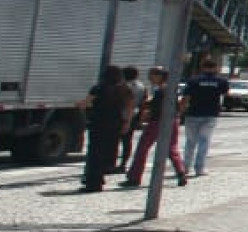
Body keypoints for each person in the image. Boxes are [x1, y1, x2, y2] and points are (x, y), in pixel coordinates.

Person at [121, 66, 186, 188]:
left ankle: (134, 177)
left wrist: (146, 107)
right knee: (172, 148)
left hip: (157, 122)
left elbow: (156, 106)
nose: (150, 77)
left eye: (152, 74)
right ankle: (181, 172)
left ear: (160, 76)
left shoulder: (161, 90)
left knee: (142, 148)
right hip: (172, 121)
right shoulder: (171, 88)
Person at [80, 65, 135, 193]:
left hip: (98, 123)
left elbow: (87, 103)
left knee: (95, 152)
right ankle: (102, 175)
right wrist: (127, 123)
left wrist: (83, 107)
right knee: (108, 151)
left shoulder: (98, 88)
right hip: (115, 124)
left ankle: (93, 182)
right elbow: (129, 108)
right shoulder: (125, 89)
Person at [181, 56, 230, 177]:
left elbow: (186, 98)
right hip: (211, 114)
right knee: (204, 141)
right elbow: (227, 94)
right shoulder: (221, 81)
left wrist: (181, 111)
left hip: (193, 113)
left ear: (202, 67)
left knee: (190, 142)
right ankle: (199, 168)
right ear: (216, 68)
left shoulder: (193, 80)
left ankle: (185, 168)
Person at [117, 65, 145, 172]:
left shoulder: (124, 87)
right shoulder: (141, 86)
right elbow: (143, 102)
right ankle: (123, 163)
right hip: (134, 114)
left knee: (117, 140)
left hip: (122, 115)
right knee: (127, 141)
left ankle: (116, 164)